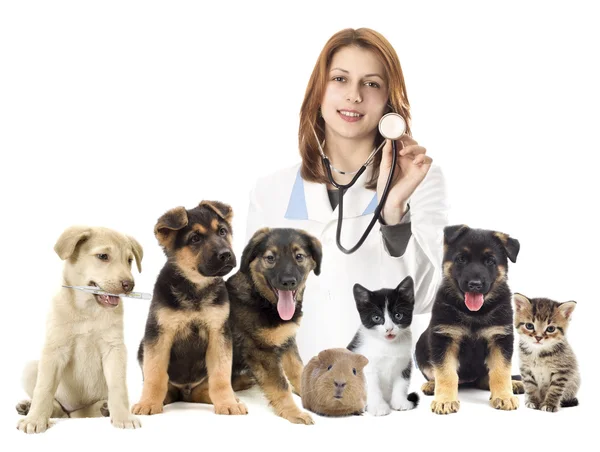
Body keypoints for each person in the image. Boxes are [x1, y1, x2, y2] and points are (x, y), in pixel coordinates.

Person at [245, 28, 449, 364]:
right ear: (319, 93)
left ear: (389, 103)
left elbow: (428, 298)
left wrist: (393, 210)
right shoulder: (271, 190)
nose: (354, 96)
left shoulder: (421, 179)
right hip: (287, 385)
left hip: (375, 383)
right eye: (340, 79)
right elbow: (254, 298)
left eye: (371, 84)